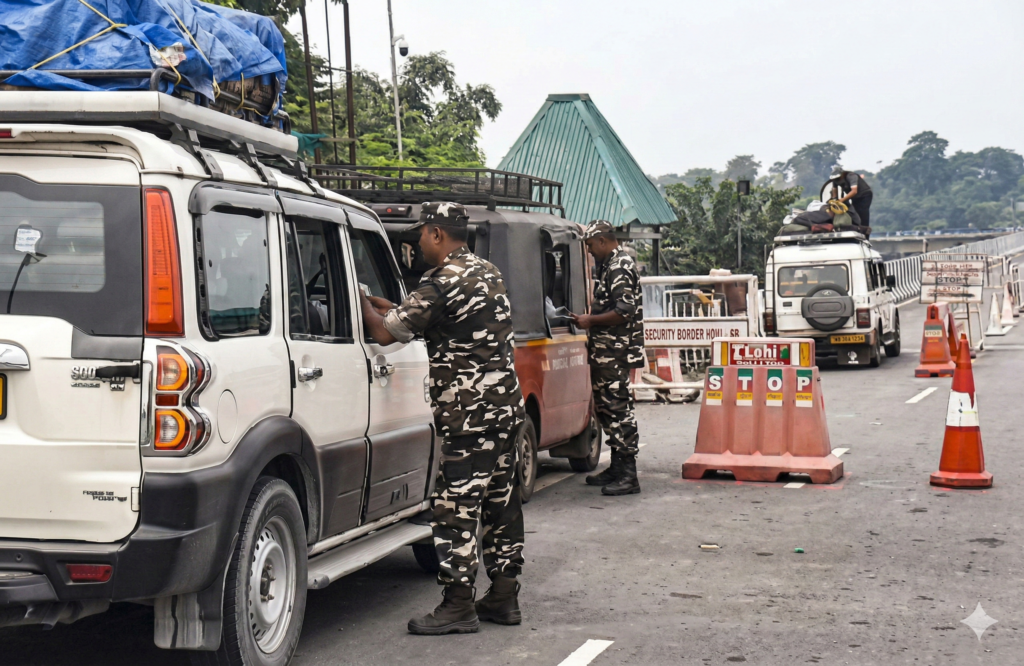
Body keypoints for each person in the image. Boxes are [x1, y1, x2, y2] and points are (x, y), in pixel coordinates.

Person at [359, 202, 526, 636]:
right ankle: (504, 597)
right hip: (505, 408)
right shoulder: (486, 272)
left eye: (420, 235)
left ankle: (457, 605)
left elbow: (382, 333)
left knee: (456, 505)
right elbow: (436, 318)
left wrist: (358, 300)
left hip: (469, 414)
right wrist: (393, 308)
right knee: (501, 501)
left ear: (435, 234)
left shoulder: (440, 282)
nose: (417, 243)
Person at [569, 221, 644, 496]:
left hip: (614, 351)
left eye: (590, 246)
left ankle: (628, 474)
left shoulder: (619, 266)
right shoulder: (610, 265)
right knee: (607, 410)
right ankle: (617, 467)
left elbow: (624, 310)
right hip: (606, 351)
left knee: (618, 409)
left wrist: (591, 320)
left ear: (602, 240)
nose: (589, 252)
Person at [830, 167, 873, 233]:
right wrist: (834, 200)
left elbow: (854, 191)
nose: (837, 180)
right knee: (854, 214)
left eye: (838, 178)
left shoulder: (851, 176)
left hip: (864, 195)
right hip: (855, 197)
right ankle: (857, 230)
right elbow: (834, 190)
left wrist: (842, 200)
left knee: (863, 214)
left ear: (842, 174)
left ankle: (865, 233)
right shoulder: (835, 180)